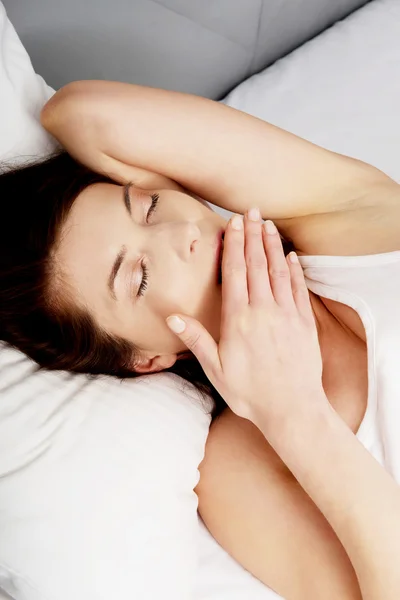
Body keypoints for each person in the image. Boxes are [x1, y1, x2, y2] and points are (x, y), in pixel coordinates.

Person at [2, 80, 400, 599]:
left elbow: (82, 113)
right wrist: (297, 415)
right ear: (147, 360)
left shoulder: (351, 223)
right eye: (139, 277)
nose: (180, 234)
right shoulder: (237, 469)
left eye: (148, 207)